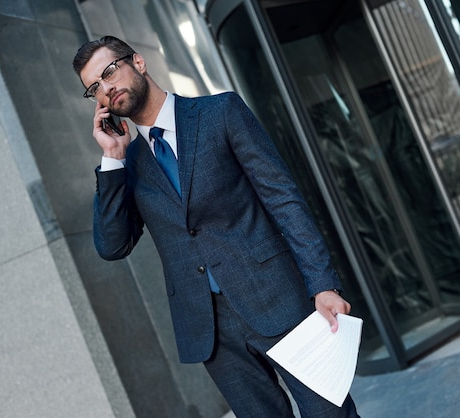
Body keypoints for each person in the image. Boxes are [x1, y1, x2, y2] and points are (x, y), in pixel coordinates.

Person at [72, 35, 359, 417]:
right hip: (211, 331)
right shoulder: (128, 162)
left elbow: (283, 199)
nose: (106, 90)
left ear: (138, 62)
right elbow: (112, 246)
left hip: (278, 298)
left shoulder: (220, 113)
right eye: (93, 88)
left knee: (331, 412)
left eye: (109, 72)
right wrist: (111, 160)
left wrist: (322, 283)